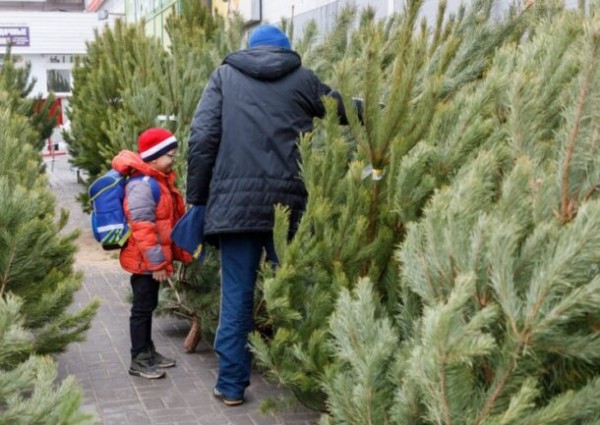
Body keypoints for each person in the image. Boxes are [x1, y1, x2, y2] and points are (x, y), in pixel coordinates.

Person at [186, 24, 352, 405]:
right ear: (286, 50)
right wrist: (379, 107)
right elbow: (340, 110)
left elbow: (201, 139)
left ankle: (230, 386)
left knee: (237, 299)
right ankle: (309, 381)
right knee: (295, 293)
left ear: (251, 48)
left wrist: (198, 198)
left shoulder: (225, 76)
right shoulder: (302, 79)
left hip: (234, 208)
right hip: (288, 208)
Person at [112, 127, 192, 379]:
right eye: (170, 155)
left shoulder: (156, 180)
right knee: (142, 309)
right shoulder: (143, 185)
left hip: (151, 259)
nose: (174, 159)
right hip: (144, 260)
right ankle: (139, 358)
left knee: (148, 305)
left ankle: (148, 350)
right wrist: (157, 263)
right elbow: (143, 228)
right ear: (154, 157)